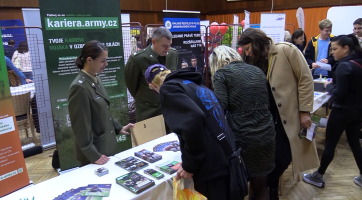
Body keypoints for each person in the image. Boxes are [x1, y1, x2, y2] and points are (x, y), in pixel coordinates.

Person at [238, 28, 319, 200]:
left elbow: (305, 79)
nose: (247, 53)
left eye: (247, 48)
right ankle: (271, 194)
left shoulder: (285, 50)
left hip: (289, 119)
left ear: (257, 42)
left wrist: (304, 111)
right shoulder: (255, 61)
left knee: (281, 160)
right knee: (268, 165)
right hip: (267, 122)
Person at [146, 64, 235, 200]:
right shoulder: (190, 83)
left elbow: (194, 119)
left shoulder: (168, 89)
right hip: (225, 155)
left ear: (153, 87)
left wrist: (190, 164)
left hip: (210, 167)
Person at [210, 45, 275, 200]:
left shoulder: (221, 74)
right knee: (261, 187)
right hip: (266, 133)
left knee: (237, 186)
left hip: (242, 136)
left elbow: (220, 107)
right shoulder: (257, 70)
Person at [303, 34, 362, 189]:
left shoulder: (344, 66)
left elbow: (339, 94)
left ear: (346, 48)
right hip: (357, 110)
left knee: (330, 144)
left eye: (335, 49)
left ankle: (318, 175)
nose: (333, 52)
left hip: (341, 111)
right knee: (355, 143)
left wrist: (329, 86)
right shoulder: (358, 62)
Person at [68, 40, 134, 167]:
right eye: (102, 60)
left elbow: (103, 110)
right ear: (89, 60)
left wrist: (118, 127)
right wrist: (93, 154)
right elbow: (80, 127)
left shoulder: (95, 78)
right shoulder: (79, 87)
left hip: (106, 147)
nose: (106, 64)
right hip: (95, 154)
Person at [124, 27, 178, 131]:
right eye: (164, 46)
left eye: (169, 45)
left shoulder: (173, 54)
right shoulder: (138, 59)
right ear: (153, 41)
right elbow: (131, 85)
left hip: (170, 110)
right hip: (149, 112)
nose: (167, 49)